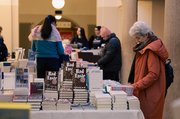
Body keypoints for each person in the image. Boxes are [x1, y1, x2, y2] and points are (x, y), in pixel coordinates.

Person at [128, 21, 168, 119]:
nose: (137, 41)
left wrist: (136, 86)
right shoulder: (145, 47)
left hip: (150, 93)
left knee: (148, 116)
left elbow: (153, 74)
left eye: (138, 38)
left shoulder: (151, 50)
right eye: (135, 38)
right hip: (145, 91)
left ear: (146, 35)